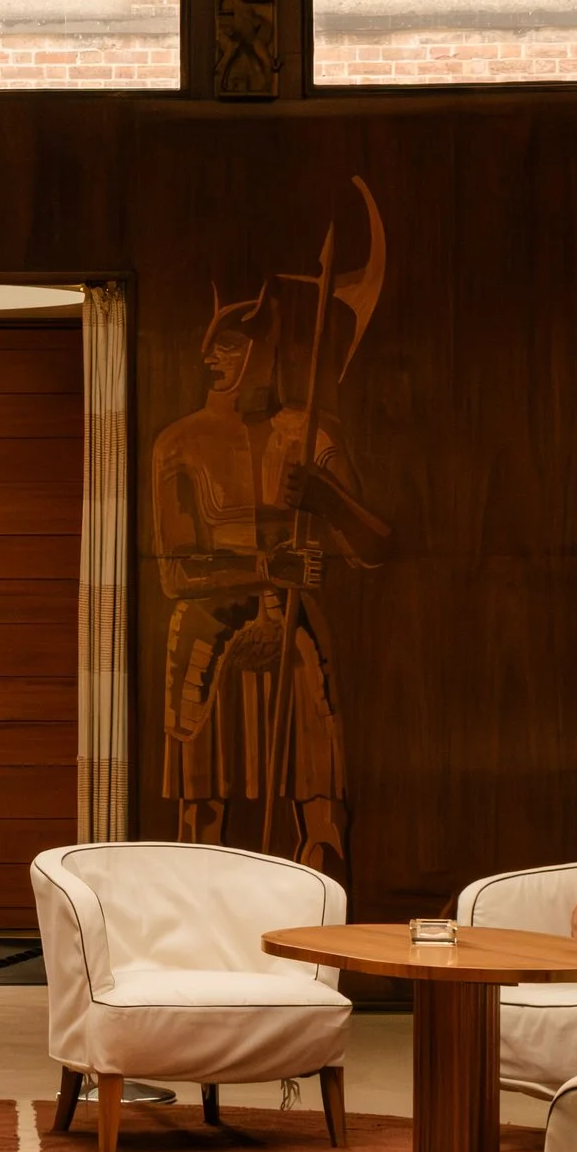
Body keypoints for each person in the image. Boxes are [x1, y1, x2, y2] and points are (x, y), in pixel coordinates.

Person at [153, 275, 385, 873]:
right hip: (206, 637)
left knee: (321, 803)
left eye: (229, 344)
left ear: (263, 350)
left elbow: (375, 548)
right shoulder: (178, 444)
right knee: (200, 809)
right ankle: (199, 949)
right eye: (210, 345)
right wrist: (264, 567)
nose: (211, 356)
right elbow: (174, 572)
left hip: (296, 636)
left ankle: (316, 940)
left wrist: (327, 498)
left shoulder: (308, 434)